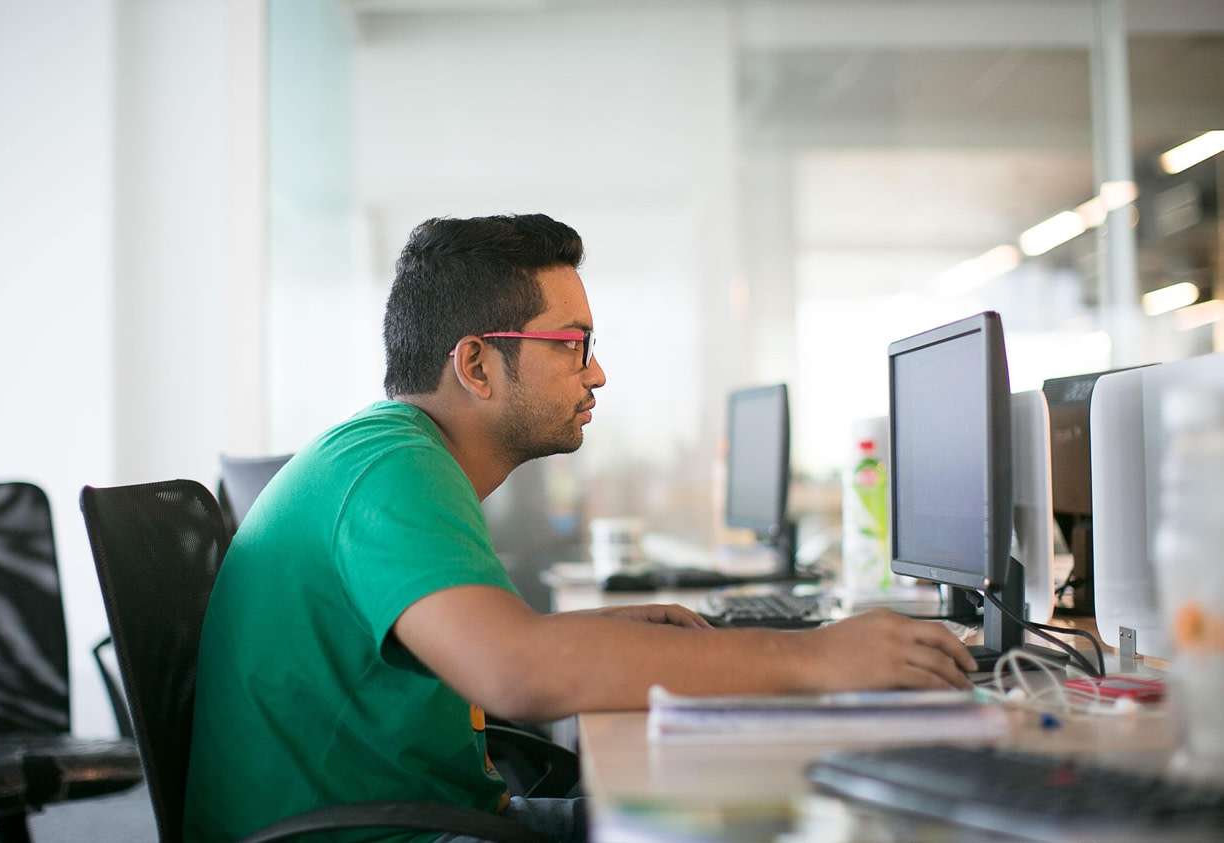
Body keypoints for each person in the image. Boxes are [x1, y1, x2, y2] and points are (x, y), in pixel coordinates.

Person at [183, 214, 977, 843]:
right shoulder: (390, 470)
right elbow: (515, 673)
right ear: (476, 364)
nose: (596, 372)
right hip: (380, 836)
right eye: (574, 345)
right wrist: (818, 656)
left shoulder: (390, 452)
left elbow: (490, 647)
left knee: (738, 808)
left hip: (413, 814)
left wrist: (593, 632)